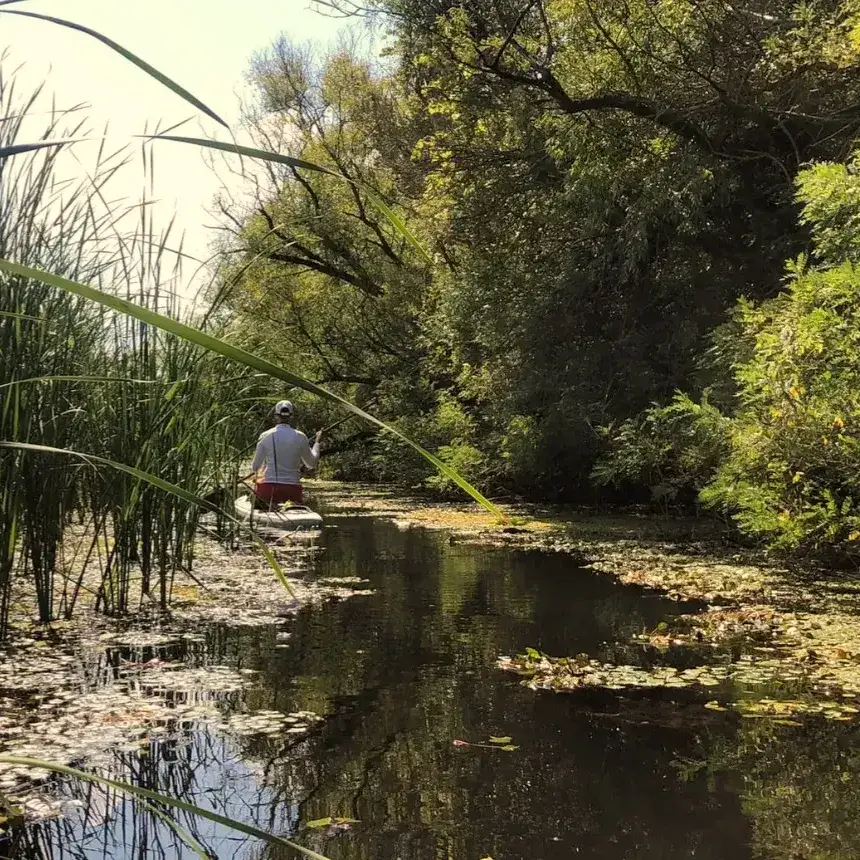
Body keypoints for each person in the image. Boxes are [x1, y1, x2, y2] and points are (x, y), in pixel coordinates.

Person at [251, 400, 321, 508]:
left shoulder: (265, 435)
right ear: (291, 416)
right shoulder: (301, 436)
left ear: (276, 416)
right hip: (292, 490)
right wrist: (317, 442)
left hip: (268, 489)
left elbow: (255, 467)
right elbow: (311, 464)